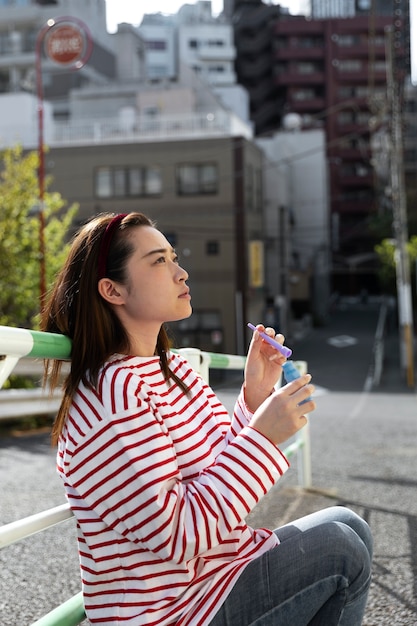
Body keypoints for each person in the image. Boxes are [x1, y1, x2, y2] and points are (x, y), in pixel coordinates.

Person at [41, 212, 373, 626]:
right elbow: (179, 536)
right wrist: (263, 438)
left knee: (347, 524)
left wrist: (253, 396)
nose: (181, 272)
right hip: (172, 612)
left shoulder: (173, 369)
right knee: (340, 548)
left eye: (174, 257)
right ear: (112, 290)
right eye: (158, 261)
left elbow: (218, 467)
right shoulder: (111, 392)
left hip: (212, 584)